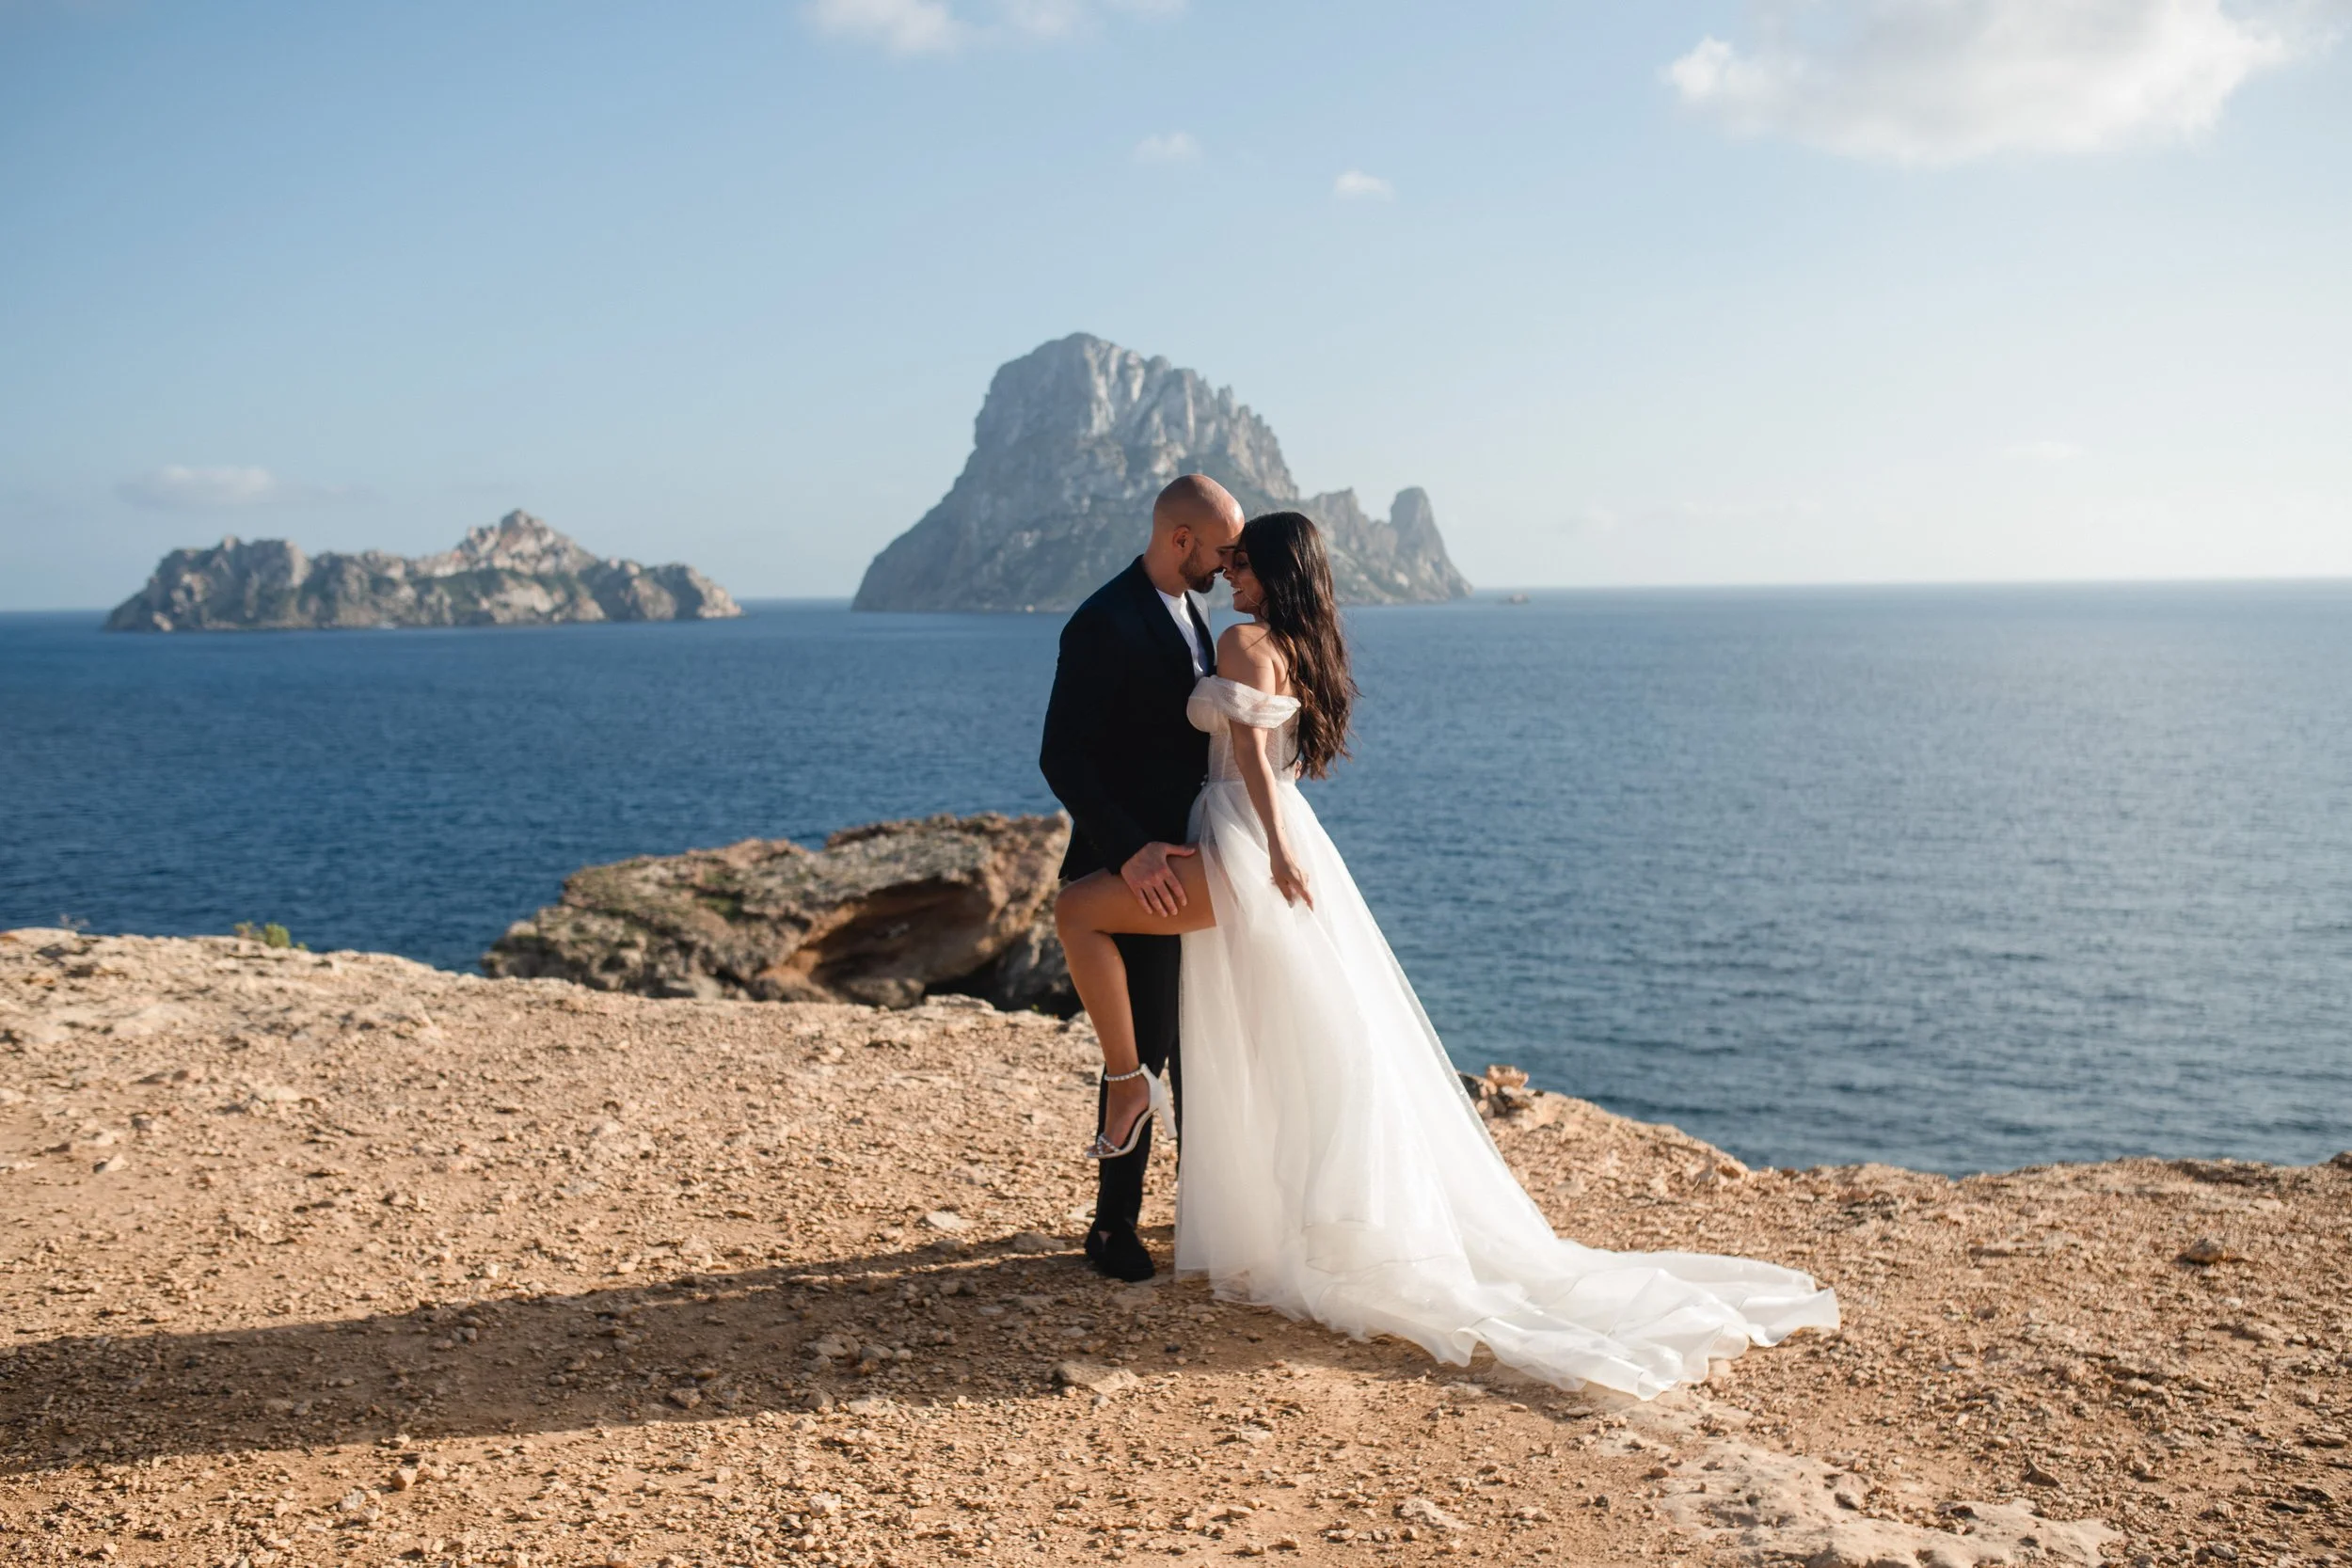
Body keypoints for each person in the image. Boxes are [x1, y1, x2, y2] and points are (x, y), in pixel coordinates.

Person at [1053, 509, 1839, 1396]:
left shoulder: (1239, 640)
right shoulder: (1304, 645)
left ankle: (1133, 1085)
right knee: (1274, 1028)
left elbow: (1253, 760)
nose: (1229, 575)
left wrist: (1268, 851)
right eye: (1224, 560)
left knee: (1088, 919)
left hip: (1243, 838)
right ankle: (1246, 1187)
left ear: (1270, 570)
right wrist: (1282, 847)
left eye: (1242, 563)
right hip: (1275, 838)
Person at [1038, 473, 1242, 1282]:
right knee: (1145, 1042)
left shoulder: (1195, 611)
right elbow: (1063, 756)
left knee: (1199, 1039)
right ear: (1179, 538)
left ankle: (1203, 1211)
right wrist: (1130, 850)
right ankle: (1111, 1226)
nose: (1230, 565)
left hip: (1194, 857)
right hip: (1137, 866)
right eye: (1222, 550)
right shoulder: (1102, 620)